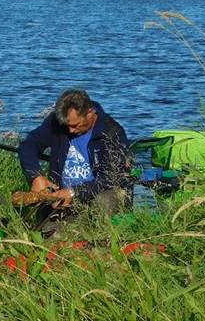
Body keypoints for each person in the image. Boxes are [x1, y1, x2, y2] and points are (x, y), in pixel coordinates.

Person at [16, 88, 132, 232]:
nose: (70, 130)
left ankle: (103, 241)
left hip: (100, 196)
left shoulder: (112, 132)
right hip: (60, 200)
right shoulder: (58, 123)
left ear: (90, 113)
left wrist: (74, 193)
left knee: (105, 201)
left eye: (75, 125)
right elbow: (28, 145)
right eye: (67, 125)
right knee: (49, 235)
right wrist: (35, 176)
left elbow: (110, 179)